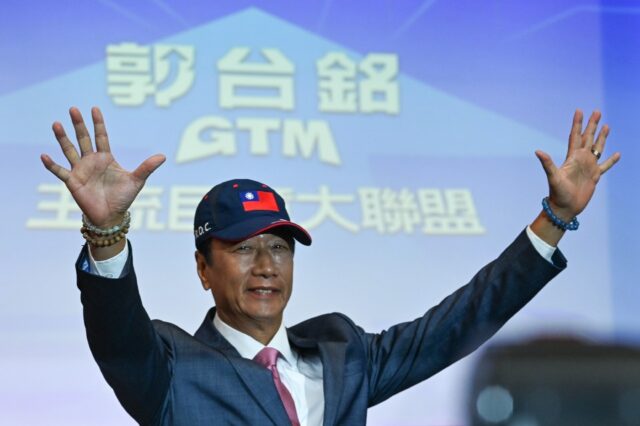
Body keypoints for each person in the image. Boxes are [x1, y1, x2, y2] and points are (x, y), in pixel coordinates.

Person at [40, 107, 620, 426]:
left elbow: (455, 325)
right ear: (203, 268)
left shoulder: (342, 352)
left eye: (281, 246)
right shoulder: (170, 369)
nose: (267, 265)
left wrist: (554, 218)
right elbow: (116, 335)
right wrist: (107, 233)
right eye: (243, 248)